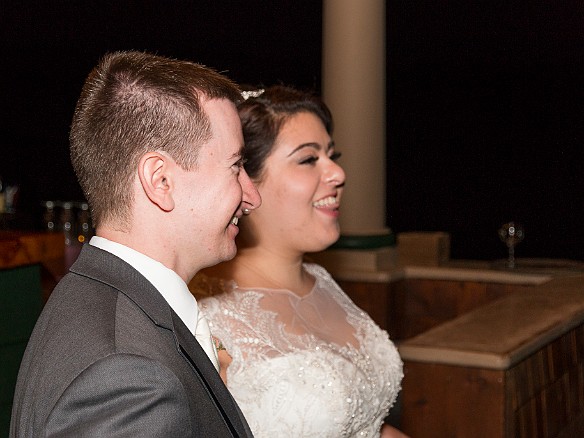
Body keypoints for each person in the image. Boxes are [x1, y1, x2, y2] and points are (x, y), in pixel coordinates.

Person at [10, 51, 260, 437]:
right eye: (235, 166)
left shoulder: (100, 300)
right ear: (160, 181)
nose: (251, 196)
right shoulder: (128, 377)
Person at [189, 85, 407, 437]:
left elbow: (369, 426)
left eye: (332, 155)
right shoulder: (206, 315)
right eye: (308, 159)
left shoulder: (323, 282)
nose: (338, 174)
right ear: (246, 181)